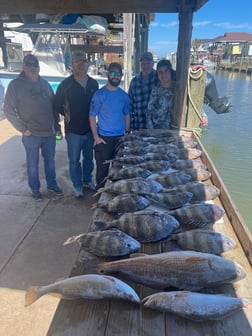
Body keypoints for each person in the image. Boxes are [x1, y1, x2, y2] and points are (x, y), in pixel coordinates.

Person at [4, 54, 63, 201]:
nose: (33, 68)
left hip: (49, 133)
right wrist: (23, 129)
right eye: (29, 64)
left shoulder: (45, 84)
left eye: (35, 65)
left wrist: (57, 128)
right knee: (32, 164)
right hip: (31, 135)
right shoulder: (15, 85)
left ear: (39, 67)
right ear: (24, 66)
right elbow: (8, 110)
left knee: (50, 161)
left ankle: (52, 184)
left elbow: (54, 108)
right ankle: (35, 189)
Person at [54, 51, 99, 198]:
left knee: (88, 158)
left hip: (89, 130)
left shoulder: (93, 83)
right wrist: (66, 115)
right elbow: (56, 105)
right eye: (77, 62)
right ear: (72, 65)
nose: (81, 65)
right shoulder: (65, 85)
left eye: (83, 62)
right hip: (73, 131)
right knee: (74, 161)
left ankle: (87, 180)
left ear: (87, 65)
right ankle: (77, 186)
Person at [89, 62, 130, 190]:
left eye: (118, 74)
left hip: (120, 139)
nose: (115, 76)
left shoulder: (124, 96)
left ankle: (114, 198)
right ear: (107, 74)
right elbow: (91, 116)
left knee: (118, 171)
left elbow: (126, 115)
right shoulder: (99, 95)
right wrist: (96, 137)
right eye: (113, 73)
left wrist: (127, 134)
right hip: (104, 139)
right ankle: (100, 196)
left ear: (121, 76)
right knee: (102, 172)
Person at [128, 52, 158, 130]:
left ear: (153, 63)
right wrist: (130, 124)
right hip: (138, 125)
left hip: (156, 126)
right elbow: (130, 104)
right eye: (143, 63)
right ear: (140, 64)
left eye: (148, 63)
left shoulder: (159, 78)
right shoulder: (134, 81)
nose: (145, 66)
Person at [146, 59, 175, 129]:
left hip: (175, 130)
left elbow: (190, 101)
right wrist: (151, 130)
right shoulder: (155, 90)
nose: (163, 74)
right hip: (157, 130)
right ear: (157, 74)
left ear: (171, 71)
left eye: (166, 71)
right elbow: (149, 112)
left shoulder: (179, 89)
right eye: (160, 72)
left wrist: (203, 115)